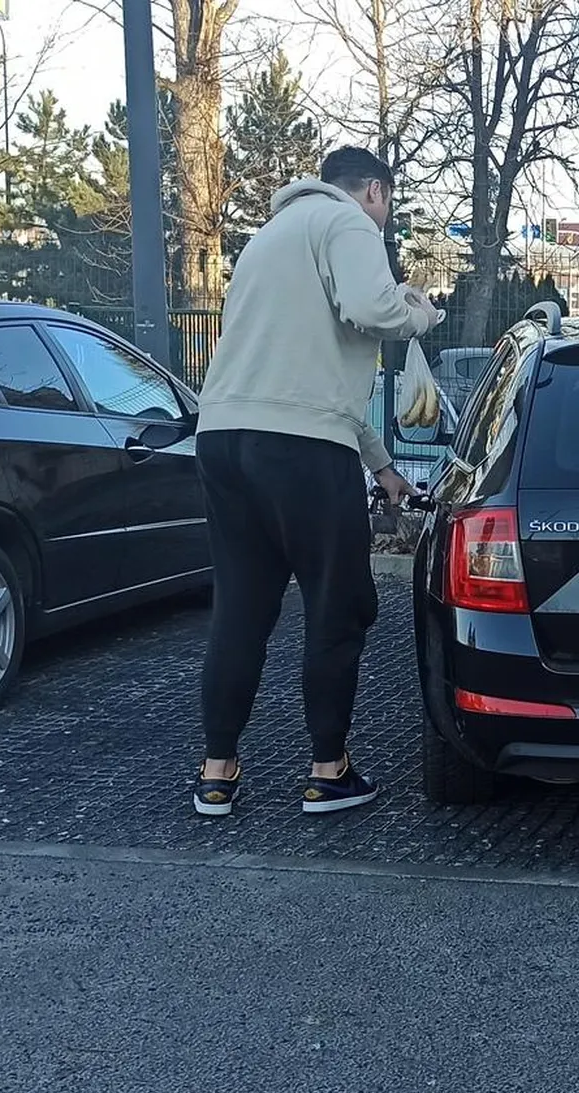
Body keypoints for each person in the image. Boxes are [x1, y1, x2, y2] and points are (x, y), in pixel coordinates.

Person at [190, 146, 441, 817]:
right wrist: (421, 311)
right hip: (299, 451)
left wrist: (382, 465)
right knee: (339, 604)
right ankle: (328, 770)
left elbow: (308, 379)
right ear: (375, 192)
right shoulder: (348, 224)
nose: (384, 221)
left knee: (241, 606)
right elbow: (375, 308)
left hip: (223, 438)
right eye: (386, 205)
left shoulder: (266, 239)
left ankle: (218, 772)